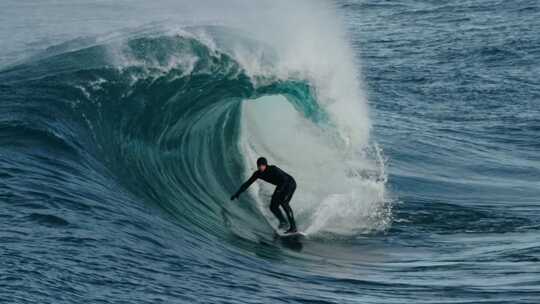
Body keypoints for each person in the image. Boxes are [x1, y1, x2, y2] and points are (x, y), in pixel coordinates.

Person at [230, 157, 297, 233]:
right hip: (280, 186)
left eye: (261, 165)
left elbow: (285, 179)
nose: (260, 167)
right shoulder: (258, 174)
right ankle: (283, 222)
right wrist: (237, 193)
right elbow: (247, 183)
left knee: (284, 203)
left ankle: (293, 227)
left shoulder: (273, 169)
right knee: (273, 207)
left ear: (265, 165)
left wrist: (278, 191)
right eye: (258, 165)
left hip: (290, 183)